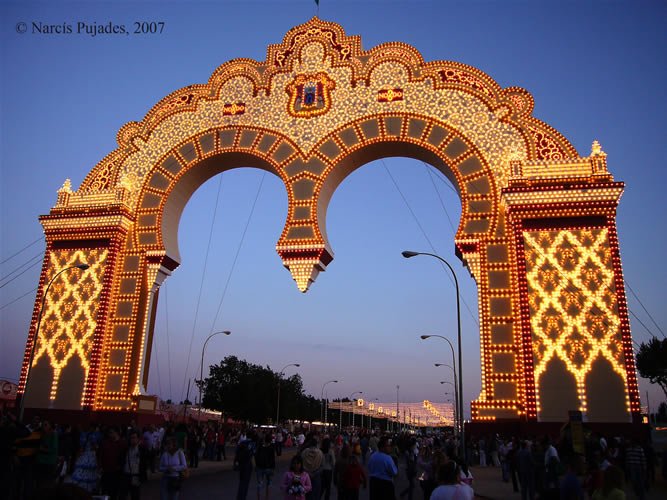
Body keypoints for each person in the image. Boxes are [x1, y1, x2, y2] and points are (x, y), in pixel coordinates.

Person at [120, 430, 148, 500]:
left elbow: (144, 463)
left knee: (135, 495)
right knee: (123, 495)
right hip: (126, 475)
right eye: (131, 438)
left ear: (138, 439)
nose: (133, 440)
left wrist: (142, 476)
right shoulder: (126, 449)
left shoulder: (142, 449)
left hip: (136, 475)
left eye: (134, 437)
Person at [255, 433, 276, 500]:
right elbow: (273, 459)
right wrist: (273, 468)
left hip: (259, 467)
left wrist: (256, 465)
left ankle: (259, 498)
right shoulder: (271, 448)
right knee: (269, 483)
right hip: (268, 467)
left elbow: (256, 456)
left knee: (259, 484)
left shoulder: (260, 447)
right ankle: (267, 498)